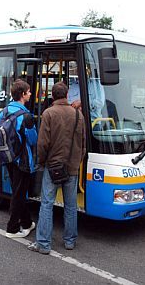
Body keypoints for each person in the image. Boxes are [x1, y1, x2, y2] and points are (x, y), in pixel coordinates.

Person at [28, 81, 86, 254]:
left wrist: (43, 162)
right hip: (73, 167)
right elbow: (83, 144)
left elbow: (42, 144)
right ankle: (70, 241)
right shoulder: (78, 115)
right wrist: (76, 160)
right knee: (70, 205)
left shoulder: (49, 113)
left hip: (52, 167)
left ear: (52, 96)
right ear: (67, 95)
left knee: (46, 204)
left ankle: (43, 244)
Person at [0, 79, 38, 238]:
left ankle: (27, 222)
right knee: (19, 194)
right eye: (28, 92)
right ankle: (12, 228)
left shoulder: (4, 112)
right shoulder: (25, 116)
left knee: (17, 190)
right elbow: (33, 140)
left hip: (7, 157)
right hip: (22, 160)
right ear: (22, 95)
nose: (30, 94)